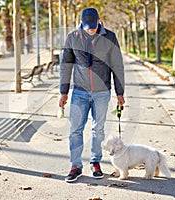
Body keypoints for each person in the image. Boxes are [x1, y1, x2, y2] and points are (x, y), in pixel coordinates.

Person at [59, 7, 125, 183]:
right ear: (82, 22)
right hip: (79, 92)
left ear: (99, 20)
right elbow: (65, 65)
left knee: (98, 130)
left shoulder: (109, 37)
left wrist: (120, 92)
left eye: (93, 25)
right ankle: (75, 166)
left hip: (102, 92)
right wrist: (63, 92)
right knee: (75, 130)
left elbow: (117, 65)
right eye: (87, 26)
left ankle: (95, 162)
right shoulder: (73, 37)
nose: (90, 29)